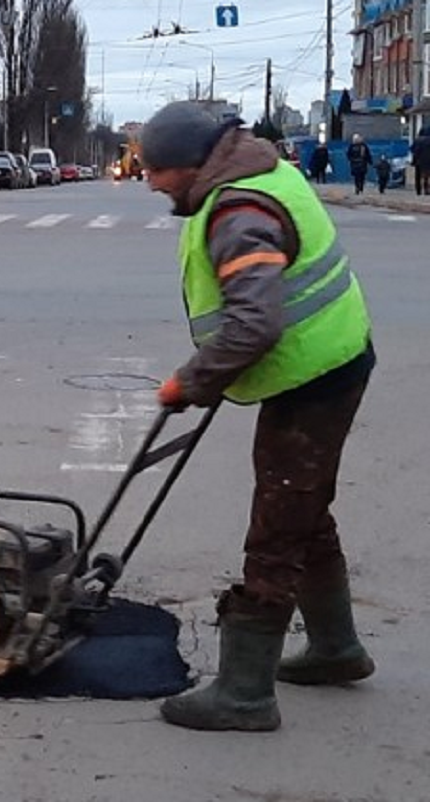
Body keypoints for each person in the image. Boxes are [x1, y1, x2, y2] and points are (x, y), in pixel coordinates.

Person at [140, 101, 376, 733]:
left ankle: (245, 694)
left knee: (278, 523)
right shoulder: (254, 177)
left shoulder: (239, 211)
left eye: (155, 171)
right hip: (328, 361)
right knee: (303, 507)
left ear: (190, 166)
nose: (150, 182)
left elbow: (255, 323)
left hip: (317, 376)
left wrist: (189, 383)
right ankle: (336, 648)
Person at [411, 126, 430, 195]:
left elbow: (413, 150)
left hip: (419, 161)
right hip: (428, 161)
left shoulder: (417, 140)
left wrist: (414, 160)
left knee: (418, 176)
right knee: (427, 176)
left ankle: (418, 190)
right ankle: (426, 190)